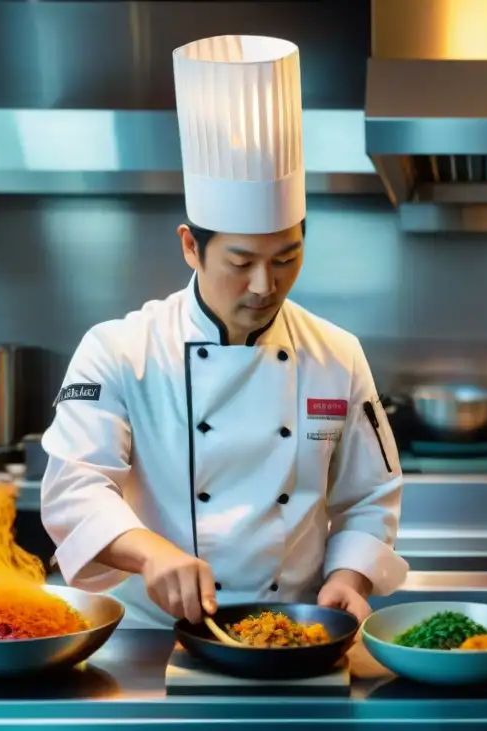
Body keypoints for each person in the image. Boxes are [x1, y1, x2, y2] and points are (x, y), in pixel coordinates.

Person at [39, 34, 408, 629]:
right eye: (240, 263)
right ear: (191, 246)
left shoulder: (337, 356)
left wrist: (347, 576)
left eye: (286, 258)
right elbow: (72, 491)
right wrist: (150, 551)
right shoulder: (119, 351)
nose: (265, 285)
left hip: (295, 634)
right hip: (151, 640)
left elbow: (370, 495)